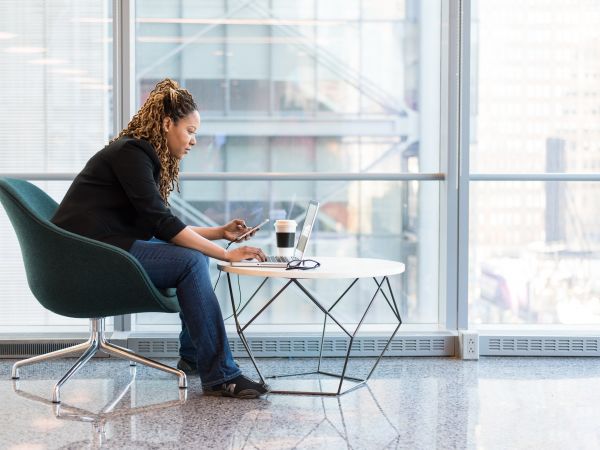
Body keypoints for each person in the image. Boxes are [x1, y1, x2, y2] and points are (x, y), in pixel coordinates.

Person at [51, 78, 270, 399]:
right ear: (168, 123)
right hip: (84, 257)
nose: (194, 140)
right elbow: (163, 224)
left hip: (98, 249)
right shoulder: (132, 153)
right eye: (191, 131)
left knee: (193, 255)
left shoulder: (136, 154)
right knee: (192, 259)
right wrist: (225, 253)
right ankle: (221, 375)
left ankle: (195, 357)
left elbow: (159, 224)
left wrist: (219, 234)